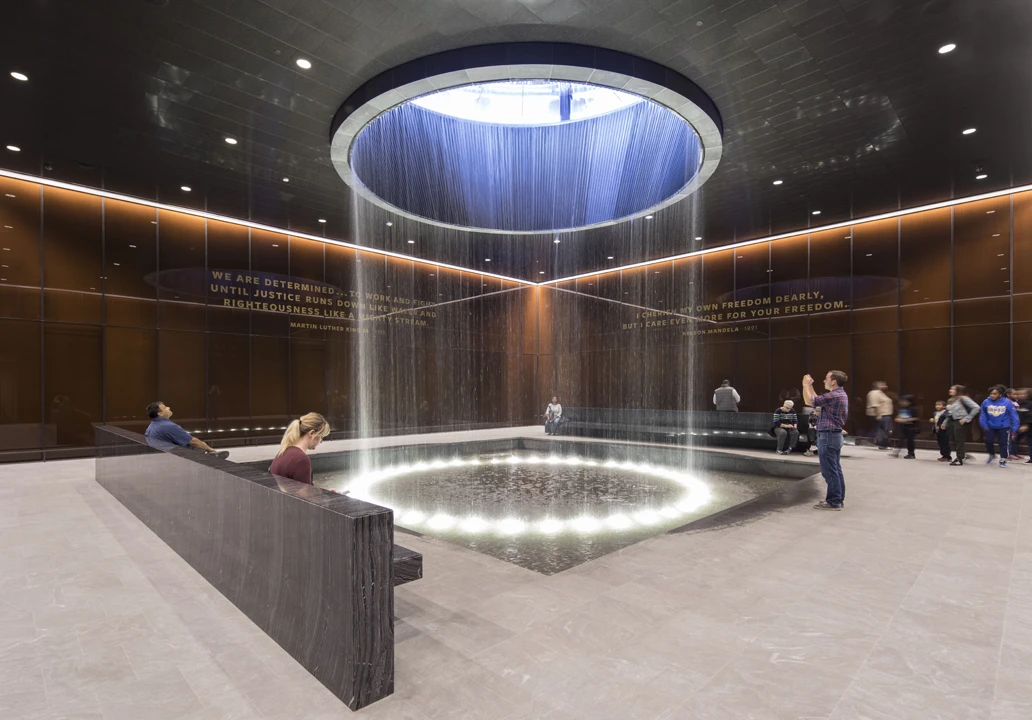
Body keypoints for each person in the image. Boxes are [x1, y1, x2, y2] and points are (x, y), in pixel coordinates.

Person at [803, 370, 849, 511]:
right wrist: (811, 386)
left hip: (828, 436)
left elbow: (809, 401)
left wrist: (805, 385)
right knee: (835, 469)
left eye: (826, 378)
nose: (824, 381)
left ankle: (834, 502)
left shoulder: (834, 395)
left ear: (833, 381)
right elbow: (817, 401)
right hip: (833, 435)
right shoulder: (839, 394)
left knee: (829, 471)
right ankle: (838, 499)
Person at [144, 401, 228, 458]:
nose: (168, 408)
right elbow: (193, 441)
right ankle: (211, 455)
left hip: (162, 456)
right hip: (176, 457)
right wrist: (210, 449)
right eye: (165, 407)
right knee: (199, 446)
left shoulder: (151, 427)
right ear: (160, 413)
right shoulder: (169, 426)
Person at [269, 412, 331, 485]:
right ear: (311, 433)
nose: (321, 441)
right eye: (321, 437)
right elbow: (305, 492)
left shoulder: (284, 451)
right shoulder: (301, 459)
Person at [980, 384, 1019, 467]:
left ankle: (1003, 459)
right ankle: (992, 454)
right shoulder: (986, 402)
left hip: (1004, 426)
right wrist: (984, 424)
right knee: (988, 441)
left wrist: (1015, 427)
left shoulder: (1007, 402)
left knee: (1003, 443)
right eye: (991, 394)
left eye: (995, 394)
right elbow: (983, 414)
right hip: (990, 426)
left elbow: (1014, 415)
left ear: (1000, 394)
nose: (992, 395)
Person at [945, 385, 979, 466]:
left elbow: (976, 407)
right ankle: (963, 454)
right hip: (952, 421)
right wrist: (945, 422)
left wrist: (967, 418)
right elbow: (949, 412)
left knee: (959, 440)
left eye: (953, 389)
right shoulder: (950, 400)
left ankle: (959, 458)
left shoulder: (963, 398)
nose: (950, 390)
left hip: (960, 421)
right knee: (952, 440)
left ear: (958, 391)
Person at [865, 381, 893, 450]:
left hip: (885, 415)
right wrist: (878, 415)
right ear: (878, 386)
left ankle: (883, 444)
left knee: (886, 430)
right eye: (883, 385)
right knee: (882, 430)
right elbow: (876, 405)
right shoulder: (874, 393)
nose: (885, 386)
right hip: (881, 415)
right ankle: (882, 445)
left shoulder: (881, 393)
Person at [890, 395, 918, 459]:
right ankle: (896, 452)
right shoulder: (902, 409)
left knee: (910, 441)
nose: (903, 402)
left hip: (911, 427)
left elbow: (916, 418)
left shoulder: (913, 409)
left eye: (905, 401)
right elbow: (898, 417)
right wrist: (898, 419)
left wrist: (906, 420)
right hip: (903, 426)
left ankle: (911, 453)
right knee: (901, 439)